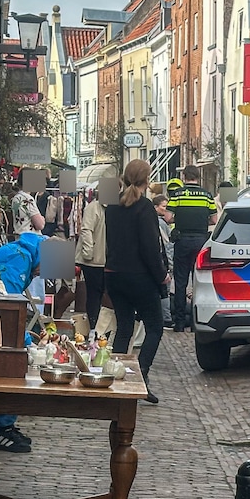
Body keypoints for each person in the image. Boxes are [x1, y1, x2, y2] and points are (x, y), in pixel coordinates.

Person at [104, 159, 167, 404]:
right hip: (140, 276)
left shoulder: (112, 207)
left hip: (114, 275)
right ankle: (140, 377)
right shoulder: (145, 208)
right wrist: (162, 275)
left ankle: (117, 379)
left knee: (124, 328)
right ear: (146, 180)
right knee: (155, 327)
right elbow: (150, 248)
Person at [0, 232, 47, 452]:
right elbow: (8, 306)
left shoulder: (24, 254)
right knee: (19, 365)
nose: (39, 275)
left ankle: (4, 424)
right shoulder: (19, 259)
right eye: (41, 271)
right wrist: (27, 341)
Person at [166, 165, 216, 332]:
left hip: (183, 240)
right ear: (198, 177)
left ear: (184, 176)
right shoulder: (207, 195)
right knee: (198, 282)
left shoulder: (177, 195)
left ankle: (179, 323)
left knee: (180, 282)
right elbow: (214, 219)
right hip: (201, 240)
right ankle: (196, 322)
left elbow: (168, 217)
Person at [76, 185, 108, 332]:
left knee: (101, 293)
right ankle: (93, 327)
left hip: (105, 259)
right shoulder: (93, 207)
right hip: (94, 260)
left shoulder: (111, 208)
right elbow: (86, 230)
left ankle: (100, 327)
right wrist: (88, 253)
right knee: (94, 294)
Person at [152, 194, 175, 328]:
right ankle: (166, 318)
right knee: (164, 290)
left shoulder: (160, 222)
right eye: (164, 207)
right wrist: (170, 265)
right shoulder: (161, 223)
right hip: (163, 262)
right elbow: (167, 246)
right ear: (156, 207)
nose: (166, 210)